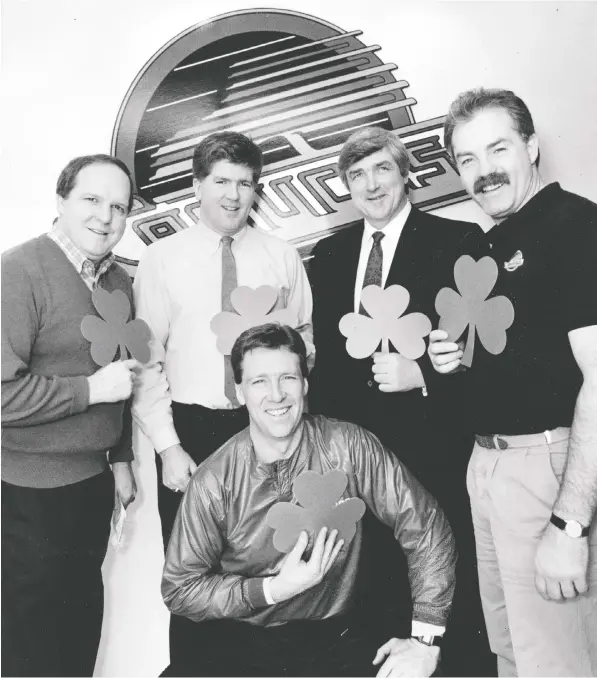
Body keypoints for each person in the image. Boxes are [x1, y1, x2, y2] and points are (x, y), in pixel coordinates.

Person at [162, 323, 456, 677]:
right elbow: (180, 588)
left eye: (287, 378)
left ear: (304, 383)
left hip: (333, 636)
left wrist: (425, 641)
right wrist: (271, 589)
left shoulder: (349, 446)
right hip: (242, 638)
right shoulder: (214, 480)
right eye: (259, 382)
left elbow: (424, 525)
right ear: (239, 392)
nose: (276, 394)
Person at [308, 126, 493, 675]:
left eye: (383, 169)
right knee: (374, 584)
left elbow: (489, 357)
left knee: (443, 573)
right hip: (356, 455)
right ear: (345, 185)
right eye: (357, 175)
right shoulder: (330, 253)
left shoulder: (457, 241)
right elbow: (326, 365)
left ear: (406, 173)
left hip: (433, 449)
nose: (371, 184)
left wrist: (423, 376)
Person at [428, 87, 597, 677]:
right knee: (513, 655)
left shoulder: (574, 225)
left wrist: (569, 524)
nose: (483, 171)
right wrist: (451, 360)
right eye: (467, 159)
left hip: (549, 473)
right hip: (489, 470)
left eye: (497, 149)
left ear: (530, 147)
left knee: (558, 662)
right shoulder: (494, 243)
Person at [132, 131, 314, 673]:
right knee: (195, 579)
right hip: (193, 432)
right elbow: (147, 361)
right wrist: (168, 447)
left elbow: (305, 346)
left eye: (245, 183)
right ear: (197, 186)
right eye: (221, 182)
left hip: (268, 430)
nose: (233, 195)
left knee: (269, 568)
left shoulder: (281, 257)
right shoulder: (161, 259)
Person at [1, 155, 139, 677]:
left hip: (90, 486)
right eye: (92, 200)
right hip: (27, 494)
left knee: (78, 635)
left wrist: (121, 457)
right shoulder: (18, 272)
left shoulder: (116, 282)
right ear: (60, 202)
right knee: (27, 649)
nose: (106, 217)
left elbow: (120, 376)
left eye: (119, 207)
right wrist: (88, 391)